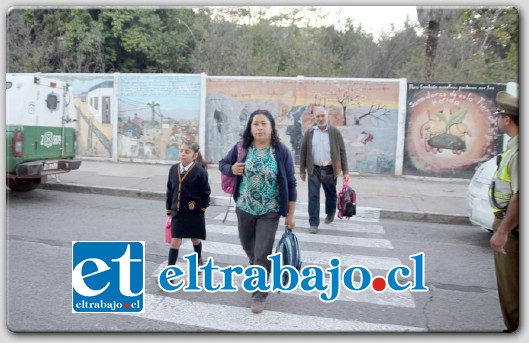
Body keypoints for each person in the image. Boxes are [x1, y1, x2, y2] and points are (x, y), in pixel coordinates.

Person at [219, 109, 297, 314]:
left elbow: (291, 182)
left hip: (269, 211)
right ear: (250, 128)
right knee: (249, 248)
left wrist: (290, 214)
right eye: (256, 124)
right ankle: (259, 268)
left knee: (262, 252)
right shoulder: (242, 148)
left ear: (271, 128)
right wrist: (232, 169)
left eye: (264, 124)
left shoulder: (281, 151)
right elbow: (223, 164)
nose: (260, 128)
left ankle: (260, 293)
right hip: (244, 208)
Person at [488, 90, 519, 333]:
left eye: (499, 115)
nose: (497, 119)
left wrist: (503, 231)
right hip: (511, 225)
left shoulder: (518, 153)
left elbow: (520, 195)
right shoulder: (514, 148)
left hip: (513, 228)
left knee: (512, 289)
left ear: (507, 119)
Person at [300, 106, 349, 234]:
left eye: (323, 116)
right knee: (313, 196)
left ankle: (330, 212)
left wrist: (346, 172)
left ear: (327, 117)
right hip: (314, 169)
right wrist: (302, 170)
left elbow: (342, 152)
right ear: (315, 118)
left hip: (330, 170)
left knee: (331, 195)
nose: (320, 118)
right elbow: (304, 151)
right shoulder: (310, 133)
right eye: (318, 116)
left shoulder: (335, 133)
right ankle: (313, 223)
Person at [166, 140, 211, 270]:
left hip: (194, 213)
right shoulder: (173, 169)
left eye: (187, 152)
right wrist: (169, 211)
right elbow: (169, 190)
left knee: (195, 239)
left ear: (195, 155)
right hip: (178, 212)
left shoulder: (200, 171)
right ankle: (170, 272)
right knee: (175, 242)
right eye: (181, 151)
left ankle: (198, 260)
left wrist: (202, 208)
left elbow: (206, 192)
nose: (183, 154)